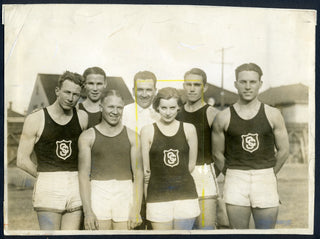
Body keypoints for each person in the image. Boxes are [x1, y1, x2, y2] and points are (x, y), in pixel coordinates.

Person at [212, 63, 289, 229]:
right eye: (243, 82)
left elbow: (284, 150)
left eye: (252, 82)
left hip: (265, 177)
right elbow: (217, 154)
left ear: (260, 84)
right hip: (236, 178)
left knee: (266, 233)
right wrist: (233, 173)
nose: (247, 87)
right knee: (238, 233)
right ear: (235, 84)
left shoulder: (273, 114)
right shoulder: (223, 117)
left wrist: (269, 172)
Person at [17, 71, 88, 230]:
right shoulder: (35, 119)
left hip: (75, 183)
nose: (71, 98)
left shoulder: (82, 117)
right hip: (48, 184)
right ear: (57, 91)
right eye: (67, 92)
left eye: (76, 94)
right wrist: (43, 176)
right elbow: (21, 159)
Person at [78, 90, 143, 230]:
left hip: (124, 192)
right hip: (98, 192)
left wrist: (136, 209)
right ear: (101, 107)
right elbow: (83, 175)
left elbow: (138, 175)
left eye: (119, 107)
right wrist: (88, 211)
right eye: (111, 107)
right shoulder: (87, 136)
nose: (115, 111)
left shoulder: (133, 137)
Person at [141, 87, 200, 230]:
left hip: (185, 195)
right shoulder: (147, 131)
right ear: (157, 108)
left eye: (172, 107)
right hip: (158, 196)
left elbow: (191, 165)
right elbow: (146, 170)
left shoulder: (189, 129)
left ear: (179, 107)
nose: (168, 112)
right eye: (164, 108)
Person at [176, 68, 220, 230]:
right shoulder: (176, 113)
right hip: (180, 174)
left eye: (196, 84)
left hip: (204, 173)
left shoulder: (211, 113)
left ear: (205, 87)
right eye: (188, 84)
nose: (192, 88)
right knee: (182, 229)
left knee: (205, 229)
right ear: (183, 86)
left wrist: (211, 172)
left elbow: (223, 151)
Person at [122, 70, 160, 229]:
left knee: (155, 227)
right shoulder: (122, 112)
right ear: (133, 91)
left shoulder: (161, 114)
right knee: (132, 227)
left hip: (155, 182)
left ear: (155, 92)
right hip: (128, 180)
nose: (144, 94)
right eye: (140, 90)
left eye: (149, 90)